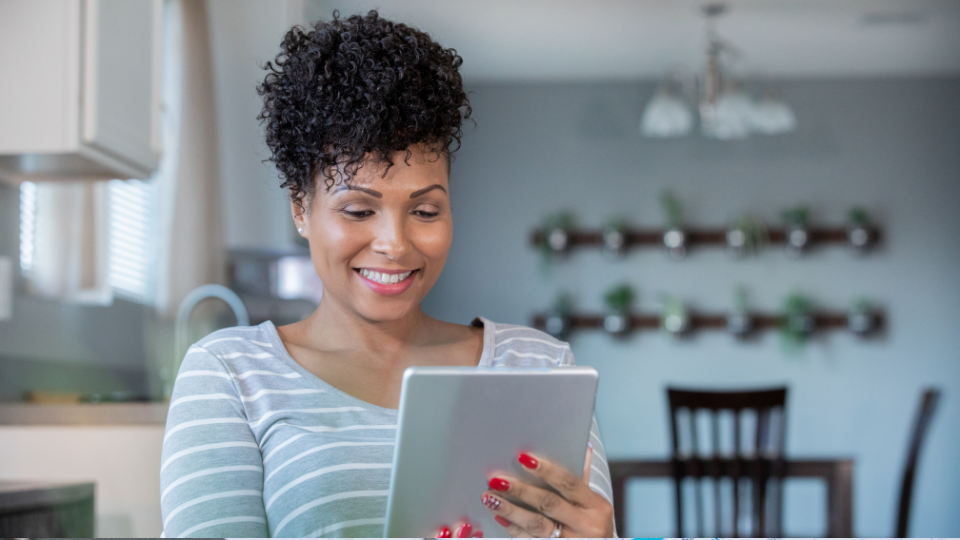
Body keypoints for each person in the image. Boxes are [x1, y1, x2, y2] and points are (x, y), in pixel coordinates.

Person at [160, 10, 615, 538]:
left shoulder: (539, 365)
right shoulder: (231, 377)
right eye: (357, 210)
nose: (395, 245)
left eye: (425, 211)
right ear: (300, 209)